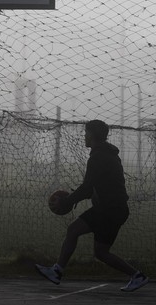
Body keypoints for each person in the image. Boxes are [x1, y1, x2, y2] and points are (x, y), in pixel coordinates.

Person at [35, 119, 149, 292]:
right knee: (101, 252)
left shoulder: (98, 157)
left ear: (93, 135)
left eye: (86, 133)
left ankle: (57, 271)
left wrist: (66, 201)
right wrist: (74, 198)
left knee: (75, 231)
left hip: (110, 210)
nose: (84, 137)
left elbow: (87, 187)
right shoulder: (107, 154)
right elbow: (93, 188)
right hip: (113, 209)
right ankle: (137, 276)